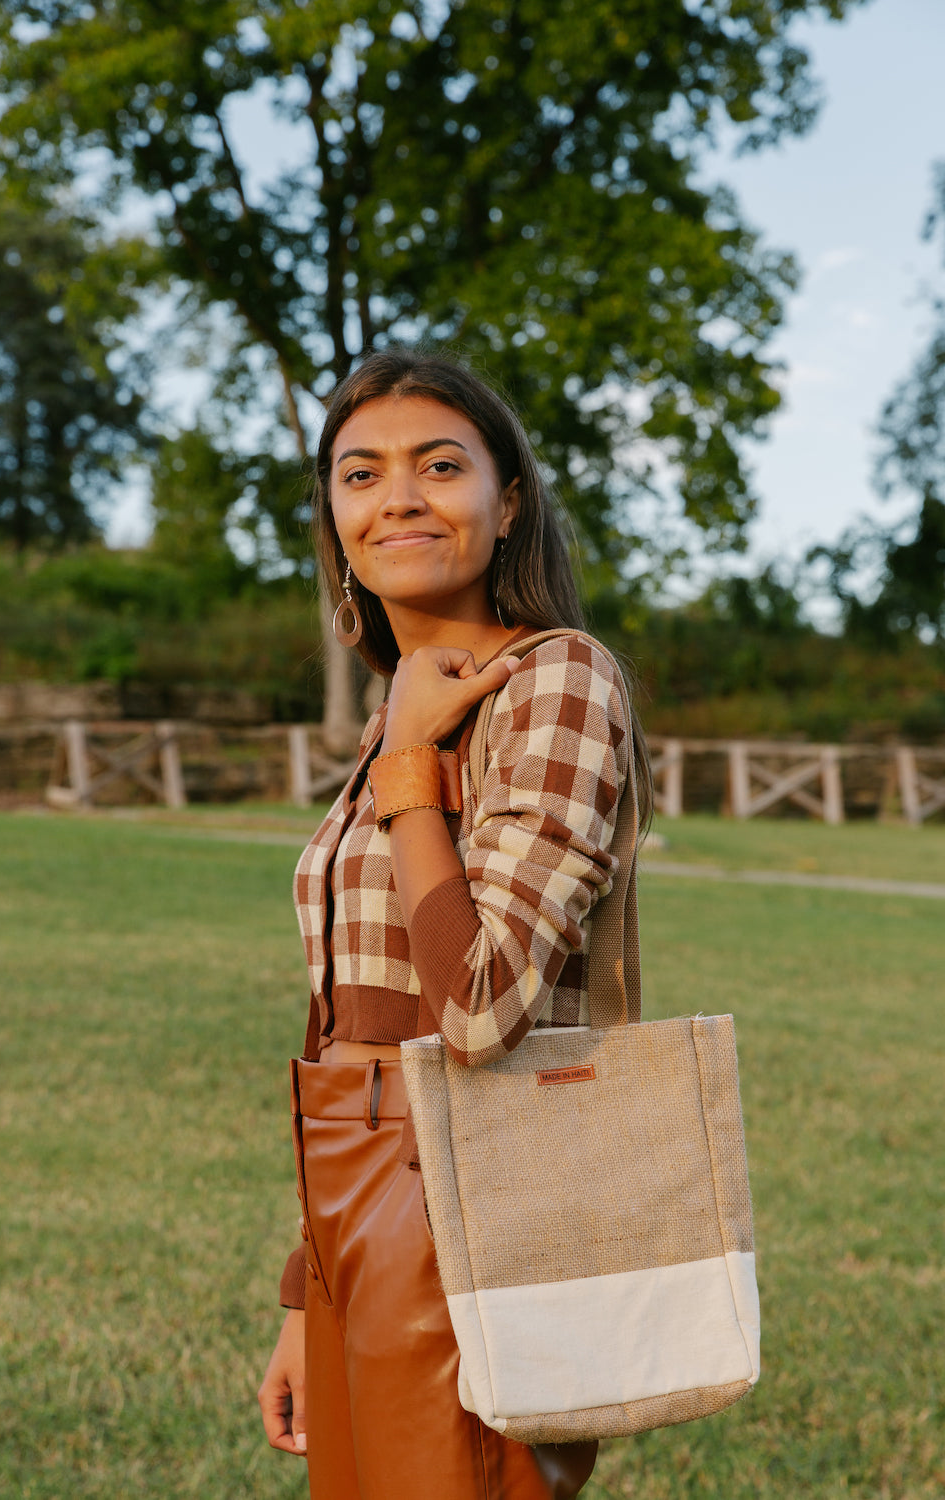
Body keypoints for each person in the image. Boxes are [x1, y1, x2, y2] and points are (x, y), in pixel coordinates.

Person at [257, 348, 651, 1500]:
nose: (398, 498)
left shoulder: (556, 680)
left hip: (469, 1198)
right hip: (357, 1197)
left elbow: (478, 1010)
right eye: (359, 473)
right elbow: (341, 1019)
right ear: (334, 515)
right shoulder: (409, 708)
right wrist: (305, 1286)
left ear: (507, 498)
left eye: (440, 465)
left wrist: (413, 763)